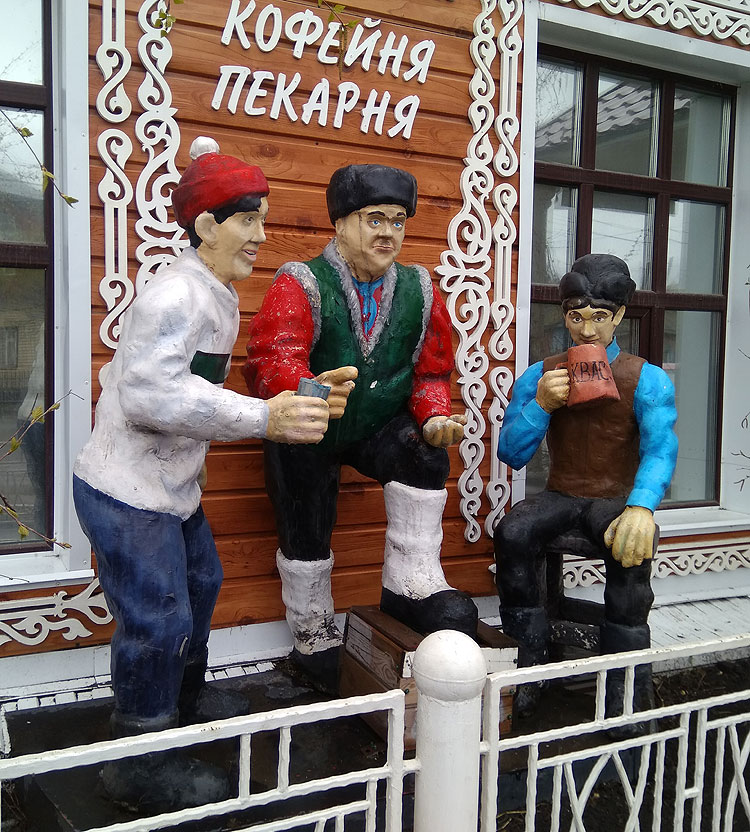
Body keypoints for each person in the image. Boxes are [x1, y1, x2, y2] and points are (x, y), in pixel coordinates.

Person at [72, 137, 330, 812]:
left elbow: (209, 390)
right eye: (249, 221)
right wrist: (264, 418)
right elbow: (149, 395)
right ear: (208, 225)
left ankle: (181, 702)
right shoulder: (175, 297)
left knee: (200, 586)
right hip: (126, 491)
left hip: (172, 488)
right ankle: (138, 757)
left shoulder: (217, 294)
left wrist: (295, 395)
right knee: (158, 617)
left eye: (263, 219)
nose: (262, 236)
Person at [244, 164, 478, 686]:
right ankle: (311, 625)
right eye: (374, 219)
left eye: (397, 221)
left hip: (376, 425)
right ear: (341, 224)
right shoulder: (301, 282)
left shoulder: (419, 288)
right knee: (304, 503)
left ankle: (410, 586)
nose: (388, 233)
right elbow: (272, 357)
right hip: (309, 426)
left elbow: (430, 371)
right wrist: (308, 390)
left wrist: (434, 415)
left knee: (423, 453)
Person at [493, 253, 678, 717]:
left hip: (614, 500)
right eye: (577, 317)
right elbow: (511, 452)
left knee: (628, 549)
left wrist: (642, 506)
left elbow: (660, 448)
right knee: (513, 532)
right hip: (561, 494)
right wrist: (540, 405)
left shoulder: (646, 379)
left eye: (599, 317)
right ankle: (526, 671)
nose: (588, 330)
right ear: (565, 317)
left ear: (619, 316)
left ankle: (623, 697)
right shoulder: (541, 375)